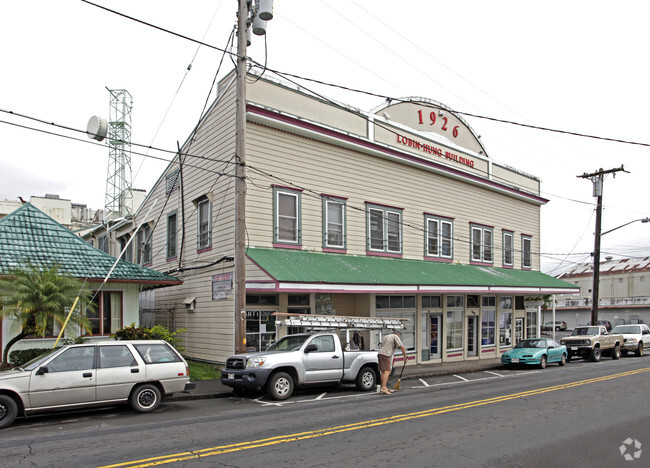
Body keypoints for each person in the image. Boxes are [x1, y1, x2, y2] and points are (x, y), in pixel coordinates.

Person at [378, 329, 407, 395]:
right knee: (387, 371)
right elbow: (402, 347)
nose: (399, 337)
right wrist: (405, 356)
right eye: (399, 335)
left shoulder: (386, 336)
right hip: (386, 355)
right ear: (398, 334)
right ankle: (383, 388)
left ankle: (384, 387)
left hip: (380, 354)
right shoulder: (395, 337)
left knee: (383, 371)